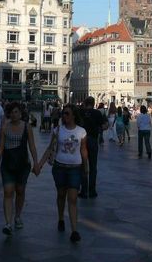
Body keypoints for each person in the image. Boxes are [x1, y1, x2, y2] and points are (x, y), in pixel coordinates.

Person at [39, 104, 88, 243]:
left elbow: (83, 150)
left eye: (67, 113)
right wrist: (39, 165)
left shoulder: (81, 131)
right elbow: (50, 148)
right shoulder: (58, 130)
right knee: (61, 195)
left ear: (73, 115)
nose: (64, 116)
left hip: (75, 168)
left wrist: (86, 167)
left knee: (72, 198)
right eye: (63, 113)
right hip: (59, 167)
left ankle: (74, 230)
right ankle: (61, 218)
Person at [0, 102, 39, 235]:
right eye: (12, 112)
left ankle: (17, 216)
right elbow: (0, 147)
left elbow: (32, 146)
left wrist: (36, 163)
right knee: (8, 192)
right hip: (7, 163)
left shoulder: (27, 127)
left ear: (21, 113)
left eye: (16, 112)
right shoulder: (5, 127)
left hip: (23, 164)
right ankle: (8, 223)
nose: (14, 115)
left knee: (20, 190)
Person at [78, 96, 108, 198]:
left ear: (85, 103)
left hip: (82, 141)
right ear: (94, 103)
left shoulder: (80, 112)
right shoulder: (97, 113)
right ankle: (92, 191)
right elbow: (104, 126)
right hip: (93, 140)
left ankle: (83, 190)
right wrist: (100, 128)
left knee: (83, 166)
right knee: (93, 166)